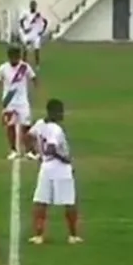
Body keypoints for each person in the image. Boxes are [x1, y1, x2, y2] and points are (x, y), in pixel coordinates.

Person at [27, 98, 82, 244]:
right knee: (69, 201)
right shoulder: (55, 129)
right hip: (60, 169)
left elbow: (28, 136)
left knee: (41, 201)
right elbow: (51, 148)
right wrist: (63, 158)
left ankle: (38, 236)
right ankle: (73, 235)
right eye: (61, 111)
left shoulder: (39, 124)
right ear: (54, 112)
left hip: (45, 168)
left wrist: (35, 153)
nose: (63, 114)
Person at [0, 45, 37, 160]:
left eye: (17, 57)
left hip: (22, 102)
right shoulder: (3, 68)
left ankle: (29, 151)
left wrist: (36, 88)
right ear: (9, 56)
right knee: (10, 127)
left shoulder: (25, 67)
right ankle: (13, 150)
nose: (15, 59)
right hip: (9, 102)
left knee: (27, 126)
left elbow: (33, 78)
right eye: (13, 57)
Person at [18, 0, 48, 68]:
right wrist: (24, 29)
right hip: (28, 34)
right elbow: (21, 21)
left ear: (36, 6)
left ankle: (37, 64)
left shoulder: (38, 14)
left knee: (36, 49)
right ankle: (24, 63)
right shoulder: (27, 13)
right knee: (24, 47)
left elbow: (45, 22)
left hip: (36, 35)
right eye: (32, 5)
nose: (33, 7)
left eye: (34, 5)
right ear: (30, 6)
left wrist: (42, 31)